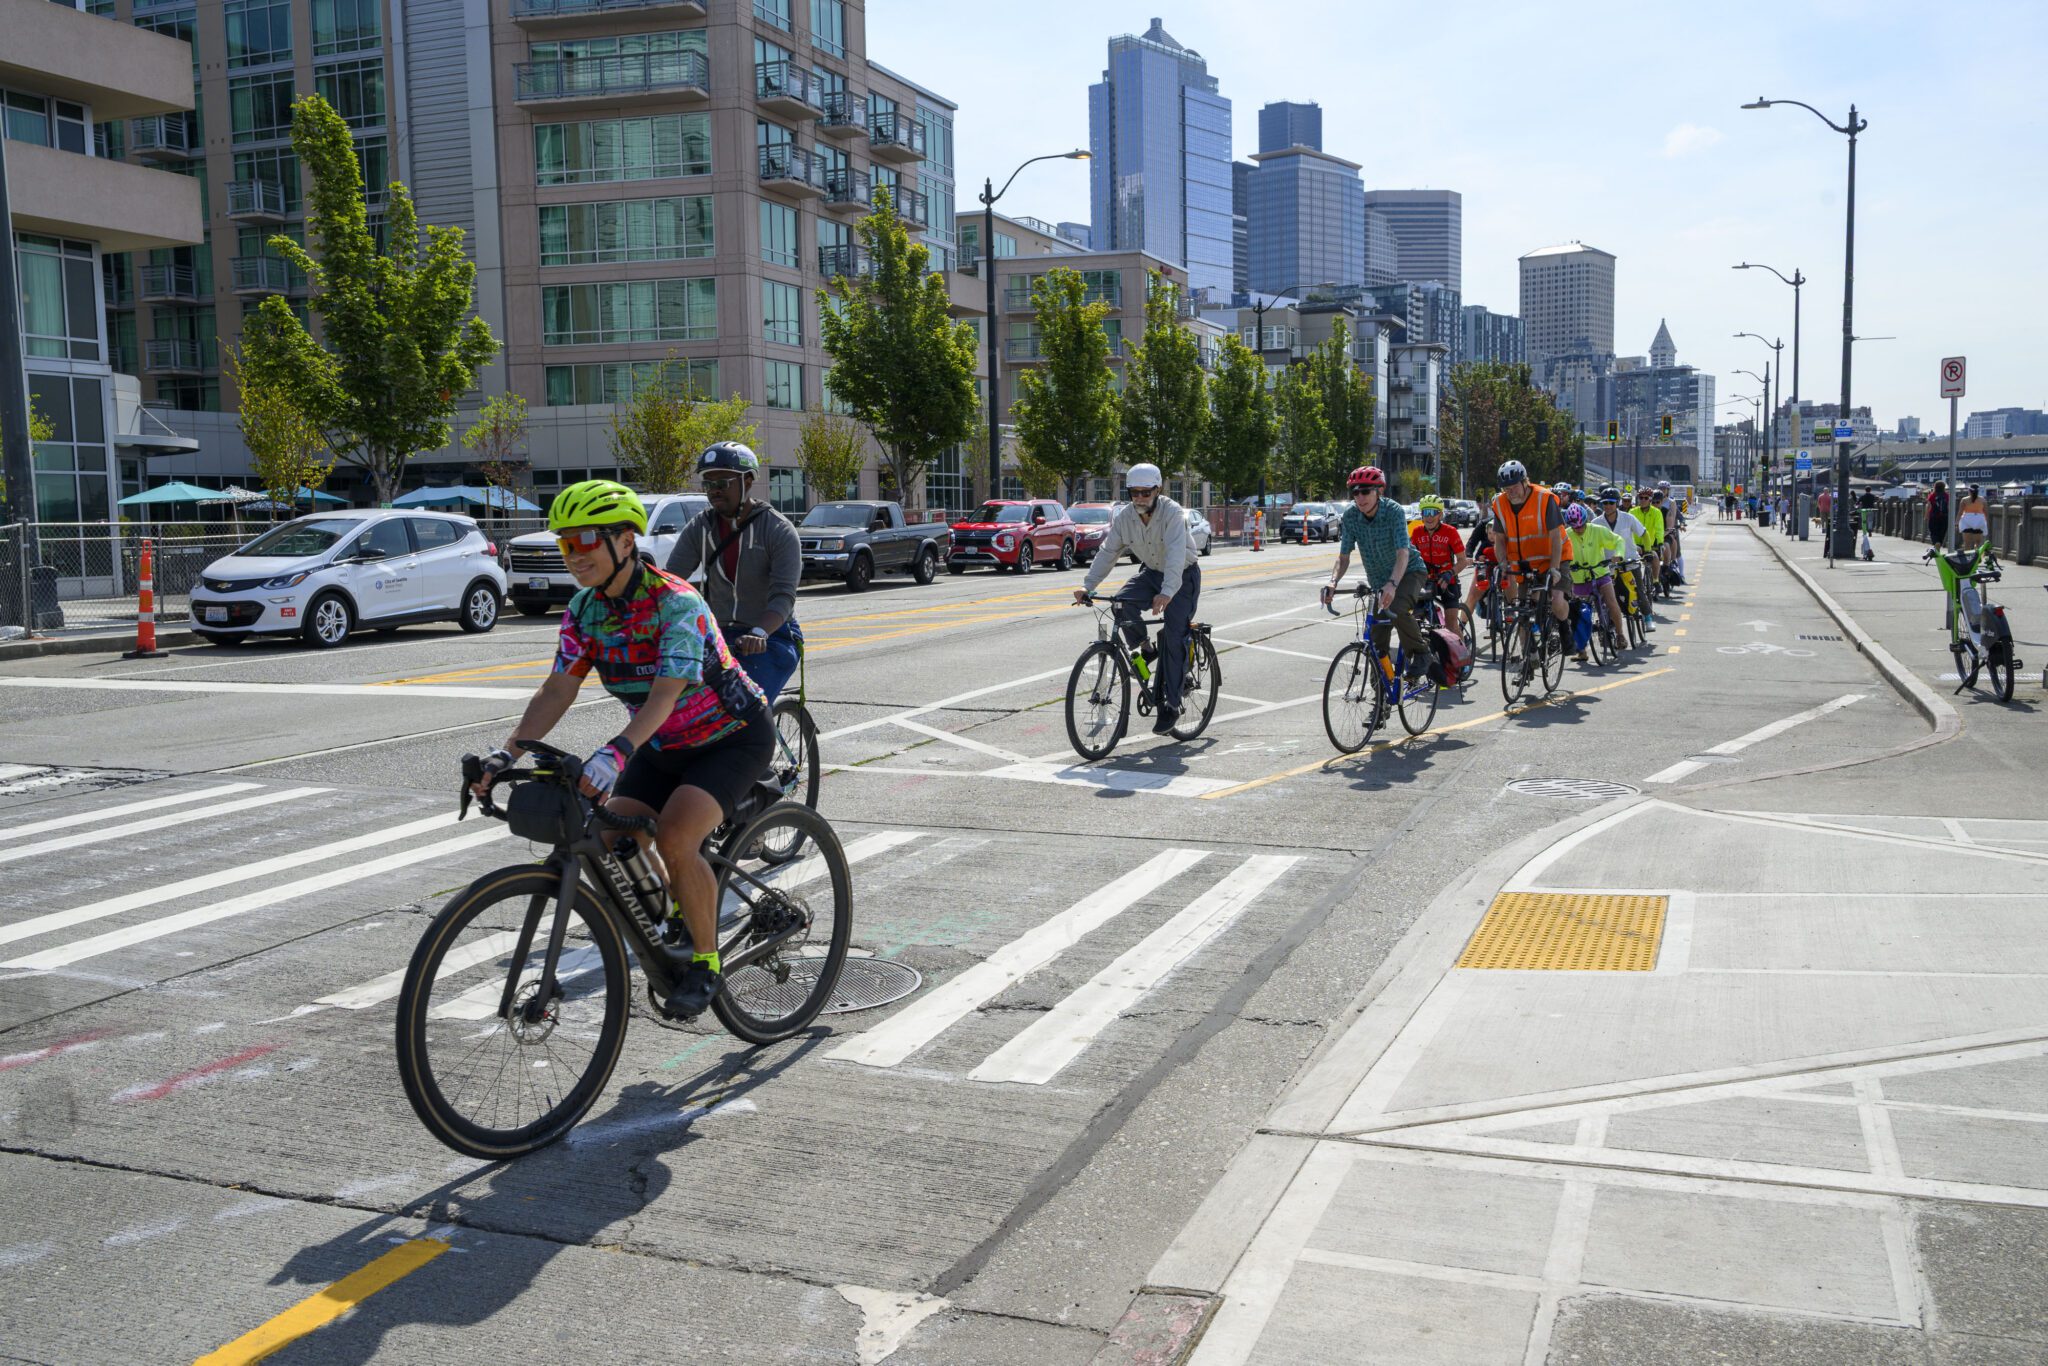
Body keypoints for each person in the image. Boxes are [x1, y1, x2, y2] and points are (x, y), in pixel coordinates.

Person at [472, 480, 770, 1018]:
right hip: (660, 743)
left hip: (730, 737)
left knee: (679, 836)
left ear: (626, 542)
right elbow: (558, 687)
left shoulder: (676, 602)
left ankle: (706, 963)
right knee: (607, 834)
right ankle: (674, 914)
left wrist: (616, 752)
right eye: (565, 543)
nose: (574, 553)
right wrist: (507, 753)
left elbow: (665, 693)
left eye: (587, 539)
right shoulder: (585, 610)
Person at [666, 442, 804, 703]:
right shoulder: (700, 527)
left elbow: (784, 596)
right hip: (718, 638)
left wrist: (760, 633)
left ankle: (756, 739)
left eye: (723, 482)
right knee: (681, 704)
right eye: (708, 484)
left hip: (771, 638)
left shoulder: (778, 530)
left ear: (747, 481)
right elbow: (670, 581)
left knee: (743, 706)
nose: (714, 491)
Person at [1074, 462, 1198, 734]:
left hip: (1183, 577)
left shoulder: (1172, 513)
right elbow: (1108, 552)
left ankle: (1171, 706)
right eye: (1134, 492)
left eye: (1145, 492)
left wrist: (1167, 593)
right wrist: (1088, 586)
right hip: (1152, 572)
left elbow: (1177, 556)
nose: (1140, 498)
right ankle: (1145, 647)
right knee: (1121, 604)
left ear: (1158, 489)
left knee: (1175, 637)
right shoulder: (1125, 517)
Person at [1322, 465, 1430, 681]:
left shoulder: (1394, 511)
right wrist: (1332, 582)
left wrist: (1392, 583)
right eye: (1355, 493)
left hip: (1409, 572)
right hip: (1379, 580)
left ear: (1379, 491)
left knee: (1397, 607)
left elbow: (1402, 553)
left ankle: (1421, 653)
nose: (1360, 498)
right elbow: (1343, 558)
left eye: (1365, 491)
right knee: (1375, 641)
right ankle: (1380, 701)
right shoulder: (1351, 516)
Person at [1486, 460, 1569, 680]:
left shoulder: (1544, 498)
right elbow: (1500, 539)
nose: (1510, 492)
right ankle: (1528, 660)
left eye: (1514, 486)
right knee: (1523, 611)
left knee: (1558, 600)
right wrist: (1503, 563)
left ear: (1525, 482)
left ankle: (1564, 626)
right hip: (1526, 564)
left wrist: (1554, 568)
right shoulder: (1500, 504)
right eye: (1506, 488)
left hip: (1555, 557)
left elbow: (1555, 538)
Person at [1562, 504, 1630, 661]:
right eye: (1575, 527)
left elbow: (1618, 540)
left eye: (1581, 526)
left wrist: (1618, 555)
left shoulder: (1597, 530)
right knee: (1578, 615)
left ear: (1586, 521)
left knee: (1612, 602)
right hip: (1579, 579)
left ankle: (1620, 635)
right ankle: (1582, 651)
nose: (1578, 529)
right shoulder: (1566, 535)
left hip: (1600, 574)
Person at [1594, 487, 1651, 629]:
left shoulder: (1628, 518)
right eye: (1604, 503)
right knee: (1611, 596)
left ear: (1617, 503)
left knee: (1639, 590)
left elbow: (1644, 534)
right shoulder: (1595, 522)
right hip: (1609, 566)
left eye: (1611, 503)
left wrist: (1648, 552)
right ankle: (1611, 623)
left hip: (1630, 561)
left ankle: (1647, 617)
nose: (1607, 506)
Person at [1409, 494, 1468, 629]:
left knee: (1451, 625)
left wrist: (1450, 573)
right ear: (1422, 515)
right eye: (1426, 512)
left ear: (1440, 515)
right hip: (1425, 581)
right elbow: (1409, 557)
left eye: (1433, 513)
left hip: (1447, 581)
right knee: (1414, 621)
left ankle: (1462, 650)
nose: (1429, 517)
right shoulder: (1417, 532)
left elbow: (1462, 560)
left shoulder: (1450, 532)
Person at [1956, 483, 1988, 551]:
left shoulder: (1964, 500)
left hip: (1967, 521)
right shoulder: (1982, 500)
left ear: (1969, 491)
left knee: (1967, 543)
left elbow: (1960, 512)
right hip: (1979, 521)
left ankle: (1968, 558)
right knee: (1978, 543)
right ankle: (1977, 557)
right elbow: (1986, 513)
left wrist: (1956, 522)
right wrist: (1985, 523)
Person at [1926, 481, 1949, 548]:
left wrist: (1926, 515)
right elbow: (1948, 506)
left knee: (1933, 532)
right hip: (1944, 517)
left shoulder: (1932, 495)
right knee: (1942, 533)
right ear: (1944, 487)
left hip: (1934, 517)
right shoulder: (1946, 495)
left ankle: (1936, 543)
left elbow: (1929, 506)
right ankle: (1939, 544)